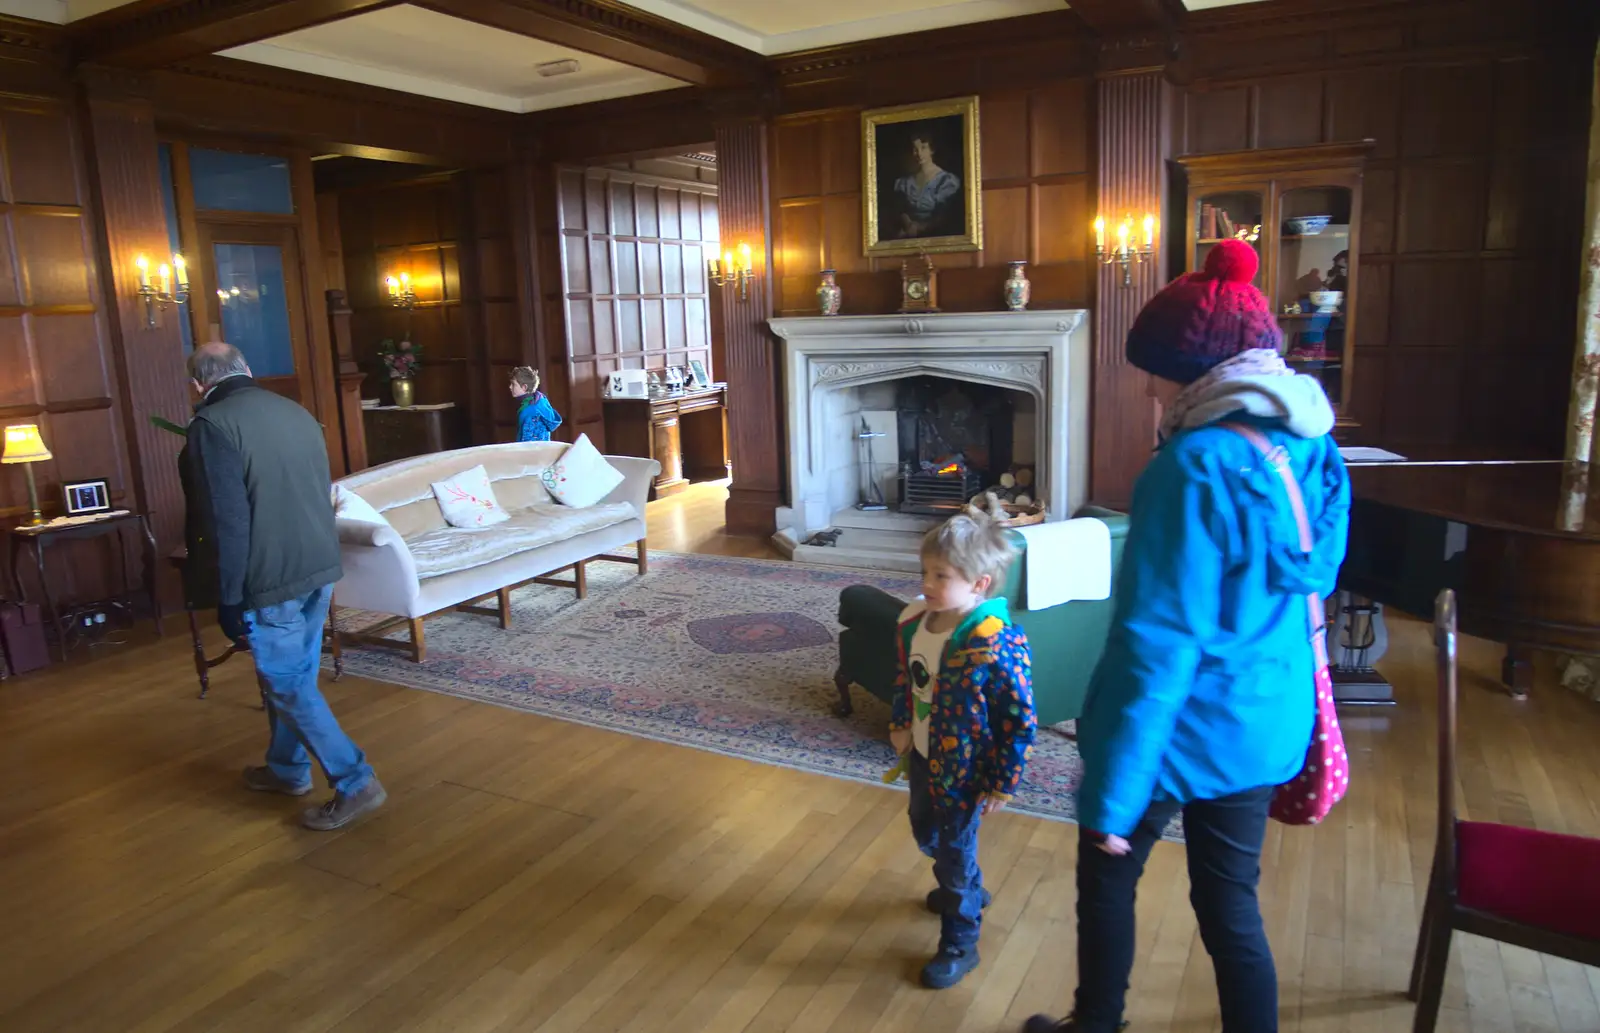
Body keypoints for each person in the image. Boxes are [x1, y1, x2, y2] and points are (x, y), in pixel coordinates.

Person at [1024, 239, 1350, 1033]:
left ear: (1194, 371)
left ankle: (1096, 1022)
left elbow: (1158, 644)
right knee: (1230, 905)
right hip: (1266, 713)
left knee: (1106, 876)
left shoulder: (1193, 466)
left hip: (1183, 729)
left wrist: (1113, 790)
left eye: (1157, 370)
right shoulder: (1312, 441)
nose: (1149, 387)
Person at [180, 341, 386, 832]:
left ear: (197, 385)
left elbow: (226, 522)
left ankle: (355, 780)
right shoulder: (295, 412)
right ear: (246, 369)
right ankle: (286, 769)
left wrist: (227, 597)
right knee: (294, 675)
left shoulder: (212, 427)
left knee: (288, 682)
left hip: (269, 577)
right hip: (318, 563)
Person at [889, 508, 1036, 989]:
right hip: (924, 755)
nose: (927, 583)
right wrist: (900, 721)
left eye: (942, 576)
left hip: (967, 768)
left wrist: (1002, 783)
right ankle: (967, 883)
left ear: (979, 584)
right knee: (923, 828)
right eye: (925, 571)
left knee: (952, 850)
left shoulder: (993, 642)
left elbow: (1019, 719)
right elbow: (907, 679)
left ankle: (960, 939)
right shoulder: (915, 623)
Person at [890, 129, 962, 239]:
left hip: (936, 236)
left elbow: (943, 217)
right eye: (915, 149)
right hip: (909, 235)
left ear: (931, 150)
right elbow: (901, 210)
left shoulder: (947, 181)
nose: (919, 153)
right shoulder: (904, 183)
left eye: (923, 148)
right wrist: (909, 225)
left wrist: (919, 228)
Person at [510, 366, 562, 442]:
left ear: (524, 387)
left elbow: (528, 445)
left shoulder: (530, 411)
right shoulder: (540, 401)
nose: (510, 387)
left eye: (513, 384)